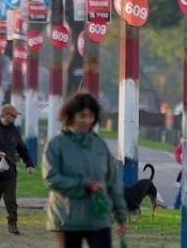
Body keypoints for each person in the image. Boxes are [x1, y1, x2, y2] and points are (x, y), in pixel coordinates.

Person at [43, 92, 128, 247]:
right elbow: (51, 179)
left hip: (98, 218)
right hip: (67, 218)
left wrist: (121, 215)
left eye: (91, 116)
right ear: (70, 116)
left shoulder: (100, 145)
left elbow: (112, 182)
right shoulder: (56, 145)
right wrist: (85, 185)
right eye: (82, 116)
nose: (87, 120)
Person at [0, 103, 36, 235]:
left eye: (16, 116)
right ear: (4, 115)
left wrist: (29, 164)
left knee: (11, 202)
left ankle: (13, 225)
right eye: (13, 115)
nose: (15, 118)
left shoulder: (15, 131)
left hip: (10, 174)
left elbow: (23, 150)